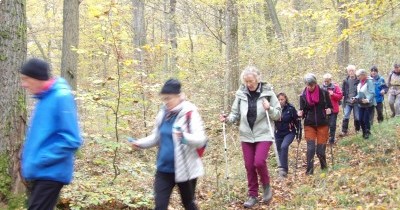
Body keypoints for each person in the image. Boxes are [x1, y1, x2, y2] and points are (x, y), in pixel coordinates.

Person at [129, 79, 207, 210]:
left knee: (189, 205)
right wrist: (139, 143)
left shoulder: (189, 113)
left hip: (185, 170)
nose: (166, 101)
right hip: (163, 169)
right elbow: (156, 137)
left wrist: (184, 137)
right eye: (164, 98)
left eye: (169, 98)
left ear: (179, 96)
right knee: (159, 206)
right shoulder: (163, 113)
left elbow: (201, 139)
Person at [20, 58, 82, 210]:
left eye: (26, 79)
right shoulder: (44, 99)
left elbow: (72, 139)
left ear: (37, 78)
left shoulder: (61, 97)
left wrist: (41, 159)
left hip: (50, 173)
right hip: (39, 172)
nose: (24, 84)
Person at [220, 66, 281, 208]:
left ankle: (266, 186)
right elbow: (235, 114)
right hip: (246, 134)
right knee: (249, 165)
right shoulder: (241, 94)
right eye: (246, 81)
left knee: (259, 162)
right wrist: (227, 119)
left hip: (264, 133)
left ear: (257, 79)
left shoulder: (268, 92)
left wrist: (269, 108)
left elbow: (278, 115)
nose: (249, 84)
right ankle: (252, 195)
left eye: (251, 81)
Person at [298, 73, 332, 175]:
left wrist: (329, 110)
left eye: (311, 85)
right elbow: (302, 110)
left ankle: (324, 169)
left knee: (320, 151)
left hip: (322, 124)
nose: (310, 87)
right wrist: (300, 113)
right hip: (309, 124)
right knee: (311, 149)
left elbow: (330, 107)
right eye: (308, 85)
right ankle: (309, 172)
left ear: (315, 83)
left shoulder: (324, 93)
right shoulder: (303, 96)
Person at [274, 93, 298, 178]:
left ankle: (283, 170)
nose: (280, 101)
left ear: (285, 99)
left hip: (289, 132)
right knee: (279, 150)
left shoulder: (290, 108)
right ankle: (284, 170)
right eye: (279, 100)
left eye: (282, 99)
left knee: (284, 147)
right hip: (278, 133)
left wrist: (299, 132)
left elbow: (296, 120)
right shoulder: (274, 109)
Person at [352, 69, 376, 139]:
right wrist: (355, 98)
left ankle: (367, 132)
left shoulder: (369, 81)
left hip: (368, 104)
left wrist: (368, 99)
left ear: (363, 75)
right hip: (361, 104)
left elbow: (372, 92)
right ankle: (364, 132)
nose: (358, 77)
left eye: (359, 76)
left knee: (366, 119)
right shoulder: (359, 83)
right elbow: (359, 94)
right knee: (360, 119)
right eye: (357, 76)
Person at [321, 73, 343, 144]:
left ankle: (332, 139)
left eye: (327, 81)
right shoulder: (321, 87)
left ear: (330, 80)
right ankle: (325, 139)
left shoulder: (335, 87)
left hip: (334, 109)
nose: (326, 82)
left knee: (332, 124)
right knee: (325, 125)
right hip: (324, 110)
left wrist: (333, 94)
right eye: (325, 81)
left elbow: (340, 96)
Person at [340, 65, 360, 137]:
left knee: (357, 117)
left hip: (356, 102)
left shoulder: (358, 80)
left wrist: (356, 98)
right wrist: (340, 96)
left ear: (355, 71)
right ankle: (344, 131)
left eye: (352, 70)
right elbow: (342, 91)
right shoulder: (345, 81)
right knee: (346, 116)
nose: (351, 72)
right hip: (347, 101)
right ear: (348, 72)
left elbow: (360, 91)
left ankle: (357, 130)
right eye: (350, 71)